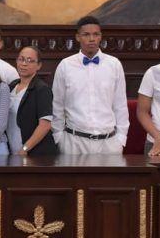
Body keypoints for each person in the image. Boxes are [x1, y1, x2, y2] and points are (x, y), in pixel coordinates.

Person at [51, 16, 129, 154]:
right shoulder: (65, 65)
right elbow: (57, 104)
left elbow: (120, 104)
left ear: (100, 37)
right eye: (86, 34)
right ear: (78, 37)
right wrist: (58, 137)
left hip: (109, 143)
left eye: (96, 34)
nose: (91, 39)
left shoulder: (114, 64)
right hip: (74, 142)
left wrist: (121, 138)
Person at [8, 46, 57, 156]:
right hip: (13, 149)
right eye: (21, 59)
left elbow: (45, 125)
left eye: (30, 61)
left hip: (35, 152)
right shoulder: (11, 86)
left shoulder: (41, 89)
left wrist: (25, 148)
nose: (24, 64)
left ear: (38, 65)